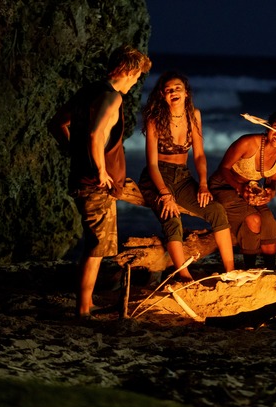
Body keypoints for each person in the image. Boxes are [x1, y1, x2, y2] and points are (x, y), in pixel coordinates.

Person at [48, 44, 152, 318]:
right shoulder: (112, 97)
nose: (136, 81)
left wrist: (75, 152)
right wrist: (100, 169)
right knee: (96, 246)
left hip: (83, 177)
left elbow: (57, 123)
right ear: (128, 71)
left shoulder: (88, 92)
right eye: (137, 75)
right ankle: (84, 307)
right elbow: (95, 135)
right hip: (96, 184)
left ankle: (85, 302)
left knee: (95, 243)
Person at [138, 71, 235, 281]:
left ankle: (230, 271)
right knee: (172, 219)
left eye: (177, 88)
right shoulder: (155, 119)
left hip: (183, 176)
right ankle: (184, 275)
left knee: (216, 211)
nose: (173, 92)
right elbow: (152, 164)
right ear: (163, 95)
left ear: (186, 93)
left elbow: (199, 155)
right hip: (157, 177)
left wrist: (202, 184)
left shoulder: (194, 115)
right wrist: (164, 194)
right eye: (168, 90)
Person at [209, 110, 276, 269]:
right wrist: (239, 187)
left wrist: (270, 192)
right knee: (253, 220)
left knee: (269, 222)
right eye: (275, 127)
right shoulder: (248, 142)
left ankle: (270, 270)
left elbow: (272, 180)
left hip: (249, 189)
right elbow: (224, 168)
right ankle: (251, 268)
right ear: (267, 127)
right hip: (224, 186)